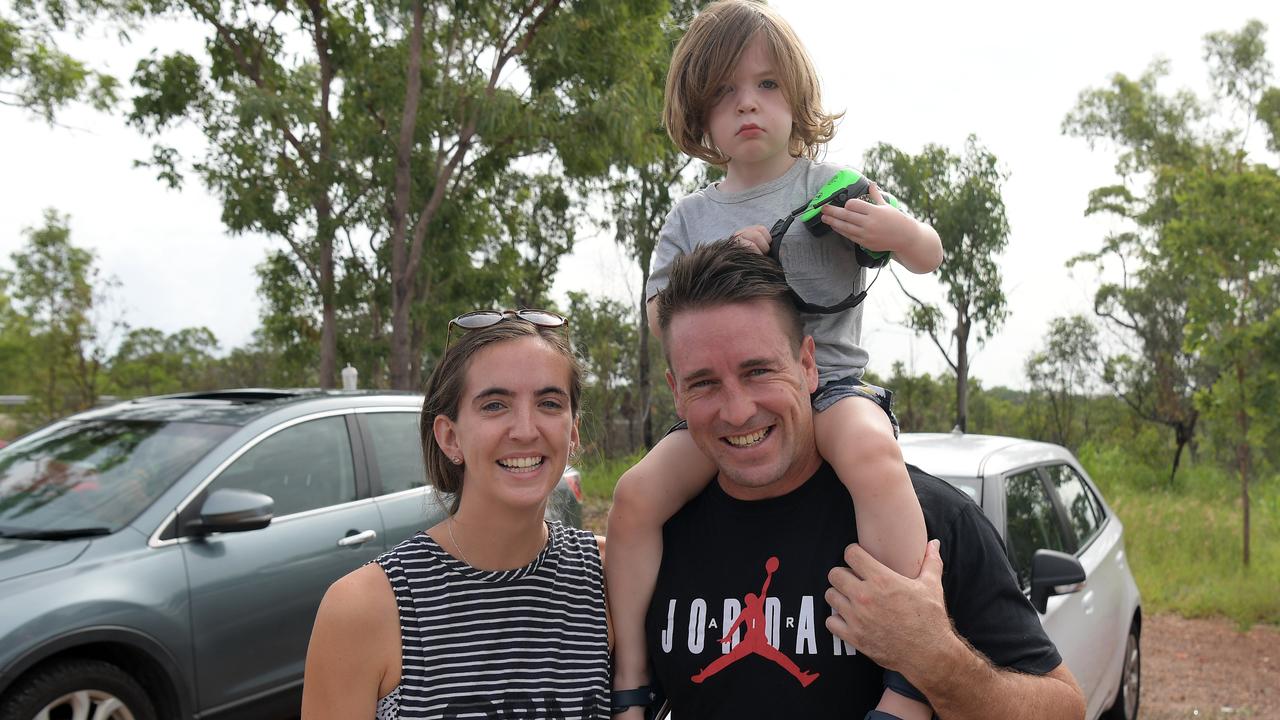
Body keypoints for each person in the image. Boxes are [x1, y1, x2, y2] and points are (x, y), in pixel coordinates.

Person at [606, 2, 944, 718]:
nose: (747, 106)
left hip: (835, 387)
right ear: (701, 116)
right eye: (725, 94)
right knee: (635, 496)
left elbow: (927, 255)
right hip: (731, 402)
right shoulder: (691, 218)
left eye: (765, 86)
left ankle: (910, 674)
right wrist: (722, 260)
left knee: (874, 461)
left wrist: (893, 227)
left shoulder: (831, 184)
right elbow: (660, 315)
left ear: (797, 100)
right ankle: (632, 679)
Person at [637, 239, 1086, 719]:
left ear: (808, 365)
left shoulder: (930, 522)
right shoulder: (657, 538)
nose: (738, 410)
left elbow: (1065, 708)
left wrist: (934, 656)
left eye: (759, 371)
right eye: (703, 383)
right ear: (676, 393)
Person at [301, 310, 611, 720]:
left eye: (549, 403)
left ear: (572, 432)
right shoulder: (366, 608)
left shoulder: (609, 575)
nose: (525, 429)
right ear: (450, 437)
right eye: (495, 405)